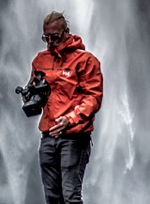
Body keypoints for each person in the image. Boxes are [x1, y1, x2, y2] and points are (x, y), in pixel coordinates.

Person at [30, 10, 103, 204]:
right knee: (52, 197)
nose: (50, 42)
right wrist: (30, 97)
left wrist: (70, 120)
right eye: (46, 37)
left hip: (74, 137)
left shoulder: (86, 60)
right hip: (48, 136)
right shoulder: (40, 60)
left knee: (71, 196)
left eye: (55, 37)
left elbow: (93, 98)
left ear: (66, 32)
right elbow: (36, 93)